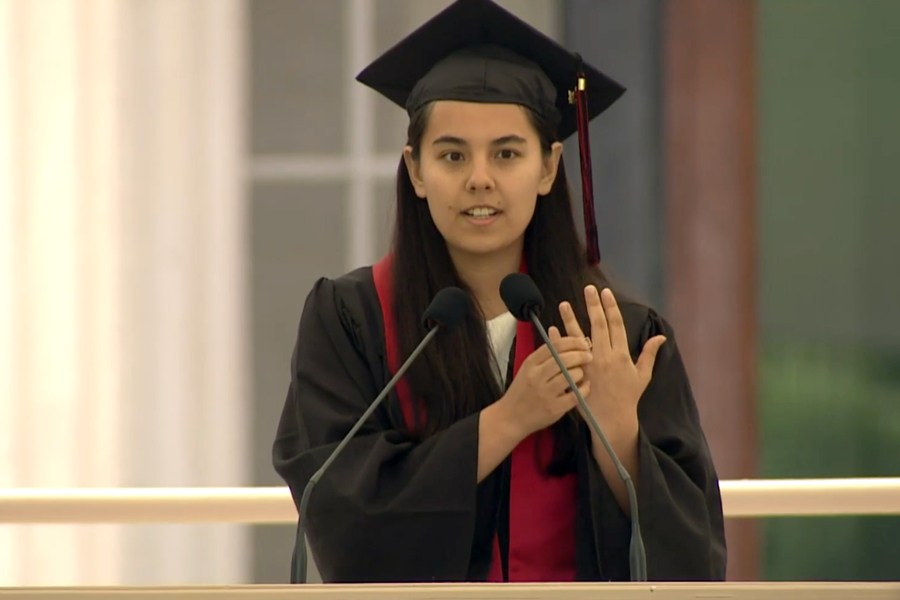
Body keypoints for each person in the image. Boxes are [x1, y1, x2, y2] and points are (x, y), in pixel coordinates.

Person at [272, 0, 726, 584]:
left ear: (547, 167)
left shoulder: (620, 335)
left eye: (507, 153)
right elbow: (340, 518)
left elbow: (696, 563)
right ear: (414, 170)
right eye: (452, 154)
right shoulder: (350, 321)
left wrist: (620, 439)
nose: (478, 178)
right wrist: (509, 419)